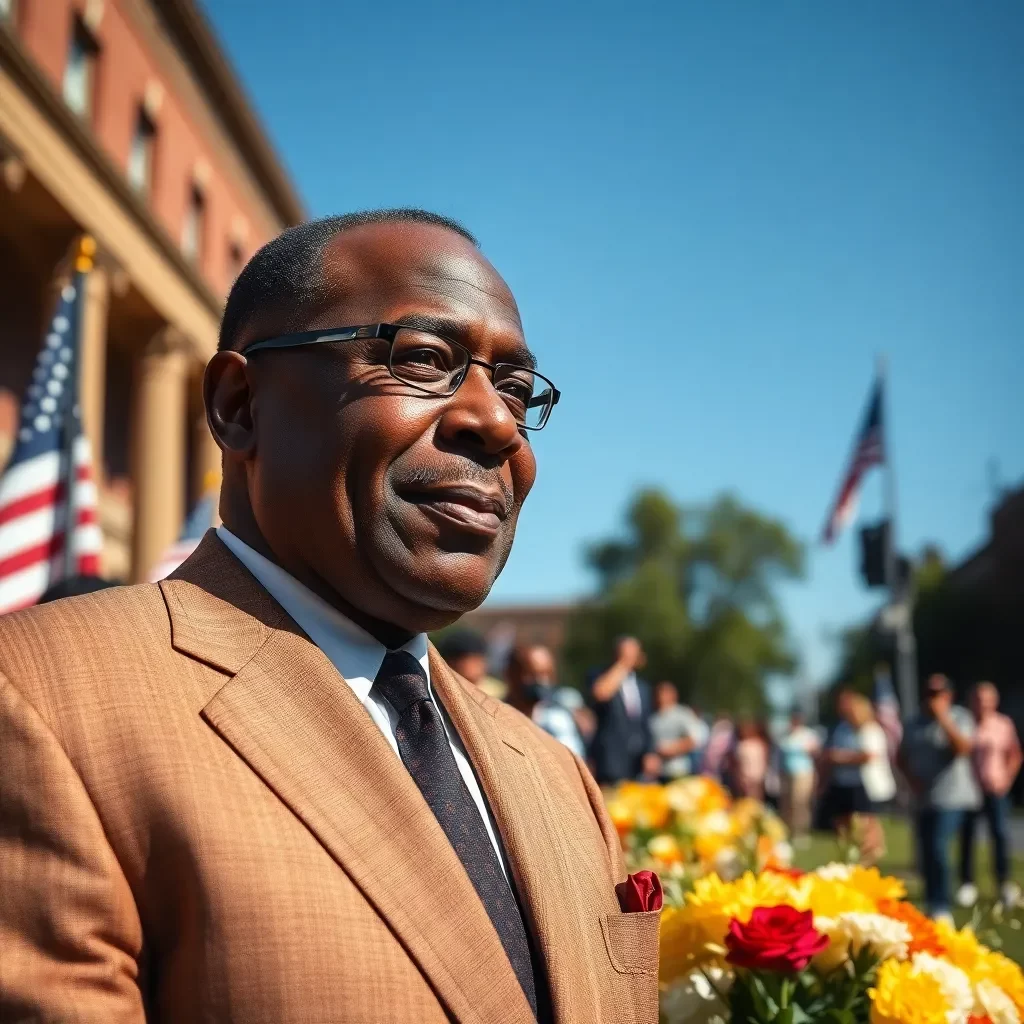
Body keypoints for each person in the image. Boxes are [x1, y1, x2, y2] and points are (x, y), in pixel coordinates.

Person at [0, 211, 658, 1023]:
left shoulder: (559, 778)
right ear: (240, 404)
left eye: (517, 391)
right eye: (423, 359)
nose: (495, 423)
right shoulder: (40, 701)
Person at [899, 674, 981, 921]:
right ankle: (931, 900)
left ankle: (941, 904)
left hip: (954, 797)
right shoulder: (913, 722)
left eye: (939, 693)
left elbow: (963, 749)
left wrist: (943, 718)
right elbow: (900, 756)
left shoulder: (960, 717)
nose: (933, 699)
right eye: (929, 693)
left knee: (938, 847)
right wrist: (911, 780)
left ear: (949, 695)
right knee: (926, 852)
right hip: (925, 798)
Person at [957, 681, 1023, 909]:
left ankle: (1003, 882)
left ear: (994, 702)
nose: (982, 704)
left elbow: (1015, 754)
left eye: (986, 699)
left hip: (995, 787)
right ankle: (967, 883)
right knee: (968, 836)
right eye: (977, 699)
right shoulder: (963, 723)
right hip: (967, 789)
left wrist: (1007, 778)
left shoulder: (1003, 724)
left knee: (1000, 834)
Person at [587, 636, 656, 784]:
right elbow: (601, 693)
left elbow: (645, 723)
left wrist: (650, 752)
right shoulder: (598, 675)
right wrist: (623, 665)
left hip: (636, 763)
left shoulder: (643, 686)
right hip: (609, 761)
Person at [505, 644, 584, 758]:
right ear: (512, 675)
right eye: (531, 674)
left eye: (546, 674)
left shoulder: (558, 716)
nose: (540, 681)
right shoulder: (496, 712)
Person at [648, 681, 709, 780]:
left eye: (666, 693)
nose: (662, 696)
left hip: (678, 770)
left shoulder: (682, 714)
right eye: (660, 693)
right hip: (657, 772)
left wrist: (673, 748)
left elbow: (695, 739)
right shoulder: (653, 717)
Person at [778, 710, 820, 841]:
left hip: (803, 773)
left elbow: (816, 753)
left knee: (800, 802)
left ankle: (801, 832)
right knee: (787, 803)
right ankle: (788, 830)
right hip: (786, 773)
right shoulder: (786, 736)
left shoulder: (808, 735)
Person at [437, 628, 507, 700]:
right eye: (472, 658)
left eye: (479, 658)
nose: (479, 664)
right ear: (451, 662)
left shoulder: (500, 693)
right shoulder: (439, 691)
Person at [729, 718, 770, 800]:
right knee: (747, 798)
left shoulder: (760, 744)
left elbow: (764, 760)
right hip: (747, 776)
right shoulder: (743, 745)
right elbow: (738, 763)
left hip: (757, 776)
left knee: (757, 797)